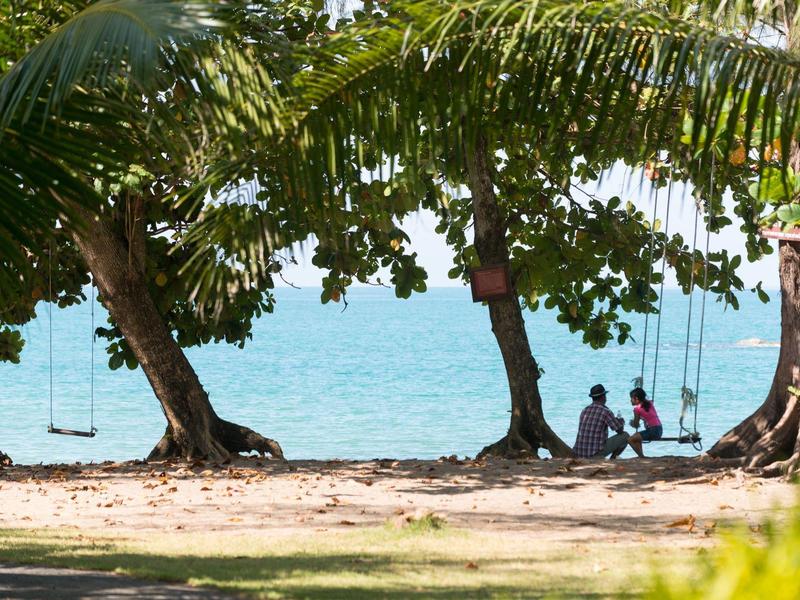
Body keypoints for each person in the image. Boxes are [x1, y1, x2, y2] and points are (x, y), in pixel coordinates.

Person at [573, 384, 629, 459]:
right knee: (625, 436)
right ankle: (612, 459)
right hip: (595, 453)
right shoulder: (605, 411)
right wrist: (621, 421)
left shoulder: (585, 410)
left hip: (579, 453)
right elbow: (619, 430)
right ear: (603, 397)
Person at [627, 387, 663, 457]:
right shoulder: (650, 403)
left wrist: (631, 423)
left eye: (631, 398)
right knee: (637, 436)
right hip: (660, 429)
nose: (630, 400)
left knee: (630, 439)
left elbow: (636, 425)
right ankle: (641, 455)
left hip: (652, 431)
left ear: (636, 399)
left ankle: (641, 456)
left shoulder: (637, 409)